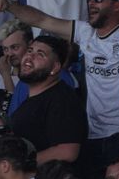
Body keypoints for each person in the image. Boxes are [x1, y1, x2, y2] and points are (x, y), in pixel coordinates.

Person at [6, 0, 119, 175]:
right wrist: (9, 5)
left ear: (118, 4)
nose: (91, 3)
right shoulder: (85, 32)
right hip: (94, 132)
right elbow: (42, 20)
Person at [7, 35, 89, 166]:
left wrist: (20, 165)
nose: (30, 56)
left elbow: (68, 151)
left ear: (55, 68)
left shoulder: (62, 99)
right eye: (29, 51)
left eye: (40, 54)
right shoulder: (35, 98)